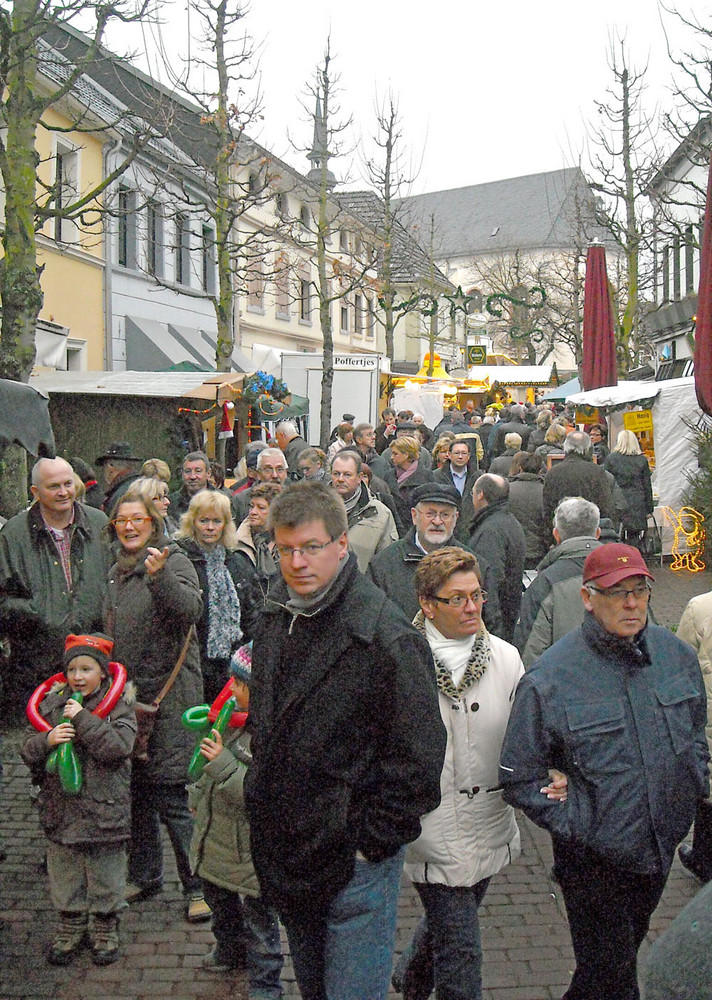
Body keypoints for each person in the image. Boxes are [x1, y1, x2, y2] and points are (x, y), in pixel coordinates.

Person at [244, 481, 446, 1000]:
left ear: (341, 545)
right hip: (291, 847)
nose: (297, 562)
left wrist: (370, 842)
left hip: (354, 860)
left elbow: (419, 759)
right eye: (285, 549)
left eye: (311, 548)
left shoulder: (386, 636)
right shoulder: (275, 618)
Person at [500, 543, 710, 1000]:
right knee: (614, 976)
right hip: (593, 864)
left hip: (657, 851)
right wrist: (579, 820)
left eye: (639, 590)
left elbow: (695, 733)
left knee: (606, 972)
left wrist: (690, 786)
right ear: (588, 597)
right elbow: (519, 775)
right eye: (618, 593)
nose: (632, 603)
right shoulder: (551, 677)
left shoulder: (675, 657)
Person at [392, 548, 524, 1000]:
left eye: (477, 596)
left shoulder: (506, 659)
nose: (471, 608)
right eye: (457, 599)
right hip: (432, 829)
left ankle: (410, 978)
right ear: (428, 605)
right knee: (462, 949)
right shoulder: (402, 660)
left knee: (452, 922)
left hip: (488, 821)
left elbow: (525, 735)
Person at [104, 487, 209, 922]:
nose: (129, 527)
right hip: (128, 702)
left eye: (138, 520)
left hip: (168, 698)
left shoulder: (173, 560)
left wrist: (160, 576)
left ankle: (197, 886)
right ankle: (145, 874)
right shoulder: (115, 571)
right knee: (137, 794)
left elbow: (190, 610)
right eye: (121, 521)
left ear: (153, 524)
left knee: (170, 795)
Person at [21, 633, 137, 966]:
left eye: (86, 668)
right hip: (62, 809)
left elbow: (118, 748)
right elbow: (28, 749)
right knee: (65, 871)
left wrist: (83, 719)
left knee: (106, 871)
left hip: (105, 807)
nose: (78, 677)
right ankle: (70, 924)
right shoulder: (51, 704)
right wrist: (48, 740)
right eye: (72, 669)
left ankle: (104, 926)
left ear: (103, 673)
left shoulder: (119, 706)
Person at [189, 656, 284, 994]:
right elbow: (207, 771)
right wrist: (198, 795)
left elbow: (261, 792)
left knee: (260, 923)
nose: (232, 689)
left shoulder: (273, 737)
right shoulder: (232, 722)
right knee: (220, 903)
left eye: (240, 684)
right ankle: (229, 950)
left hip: (250, 851)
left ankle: (266, 981)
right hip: (218, 840)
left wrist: (223, 764)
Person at [0, 457, 109, 718]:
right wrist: (37, 612)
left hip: (94, 661)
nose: (63, 492)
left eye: (68, 484)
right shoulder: (13, 535)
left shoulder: (99, 524)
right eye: (54, 486)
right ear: (35, 492)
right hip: (35, 668)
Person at [368, 483, 503, 638]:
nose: (437, 521)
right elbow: (371, 622)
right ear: (414, 516)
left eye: (445, 515)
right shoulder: (383, 565)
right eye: (430, 514)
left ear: (456, 518)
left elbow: (492, 624)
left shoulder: (475, 566)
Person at [175, 490, 256, 703]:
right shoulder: (181, 560)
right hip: (193, 662)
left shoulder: (237, 562)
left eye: (216, 521)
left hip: (231, 666)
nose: (210, 528)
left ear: (225, 524)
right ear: (192, 522)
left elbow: (250, 615)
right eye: (204, 521)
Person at [514, 497, 602, 668]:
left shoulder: (545, 583)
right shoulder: (624, 574)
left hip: (564, 685)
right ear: (597, 533)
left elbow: (530, 652)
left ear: (556, 534)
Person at [676, 590, 712, 883]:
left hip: (707, 721)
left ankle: (703, 857)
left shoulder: (700, 607)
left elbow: (679, 663)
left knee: (708, 788)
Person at [468, 474, 526, 643]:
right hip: (508, 618)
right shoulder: (510, 522)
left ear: (480, 495)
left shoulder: (489, 531)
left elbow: (490, 581)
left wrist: (493, 634)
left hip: (494, 629)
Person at [330, 451, 398, 572]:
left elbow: (388, 563)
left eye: (347, 475)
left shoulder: (380, 514)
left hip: (361, 587)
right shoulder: (314, 509)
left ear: (359, 477)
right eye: (336, 474)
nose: (340, 479)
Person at [542, 430, 615, 528]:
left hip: (563, 529)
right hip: (589, 528)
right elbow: (605, 505)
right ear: (588, 448)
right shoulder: (596, 472)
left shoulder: (553, 472)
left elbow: (548, 508)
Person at [604, 430, 654, 548]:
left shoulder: (611, 459)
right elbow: (647, 485)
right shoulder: (641, 460)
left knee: (616, 535)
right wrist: (649, 508)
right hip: (637, 502)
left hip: (617, 501)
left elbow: (606, 482)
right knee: (634, 536)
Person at [508, 451, 549, 570]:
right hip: (539, 550)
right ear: (540, 470)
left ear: (520, 468)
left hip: (513, 548)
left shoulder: (508, 490)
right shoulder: (546, 492)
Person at [384, 435, 434, 529]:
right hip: (394, 528)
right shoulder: (389, 476)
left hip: (418, 527)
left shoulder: (426, 476)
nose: (391, 457)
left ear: (406, 455)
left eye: (395, 454)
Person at [235, 483, 282, 576]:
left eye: (261, 508)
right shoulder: (237, 542)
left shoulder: (288, 543)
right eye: (251, 506)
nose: (253, 512)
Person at [95, 442, 143, 513]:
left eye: (104, 466)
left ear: (110, 466)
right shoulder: (142, 485)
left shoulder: (119, 496)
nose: (104, 470)